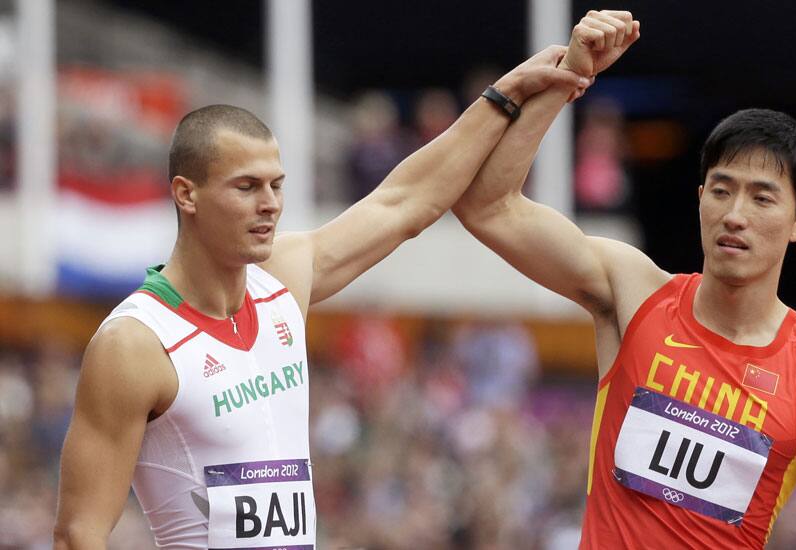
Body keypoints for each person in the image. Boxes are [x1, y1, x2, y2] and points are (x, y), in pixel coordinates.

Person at [51, 34, 595, 549]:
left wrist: (508, 94)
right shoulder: (135, 343)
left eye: (276, 185)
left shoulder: (281, 280)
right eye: (246, 187)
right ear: (185, 195)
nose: (270, 204)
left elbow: (403, 204)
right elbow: (79, 534)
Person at [452, 10, 796, 549]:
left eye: (762, 197)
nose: (735, 214)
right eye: (722, 190)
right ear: (700, 198)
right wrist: (568, 77)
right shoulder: (633, 292)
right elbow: (489, 206)